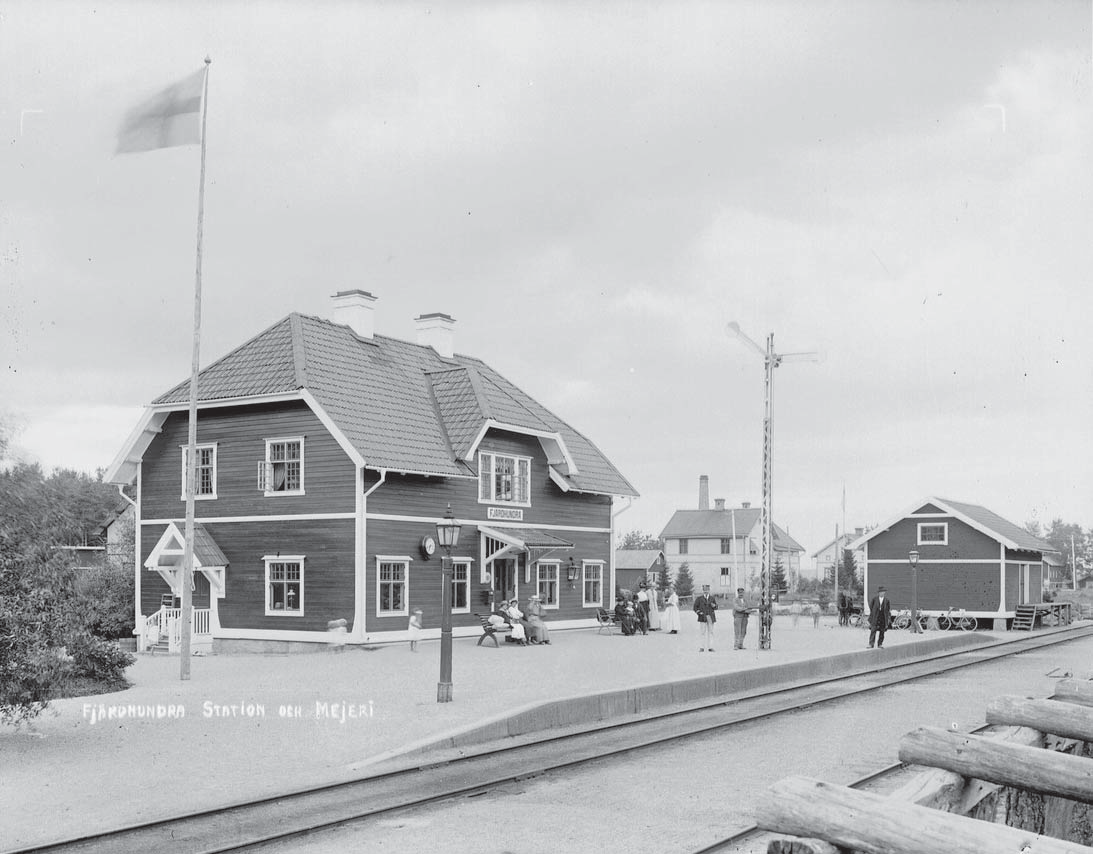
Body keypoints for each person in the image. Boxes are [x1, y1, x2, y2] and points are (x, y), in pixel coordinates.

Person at [693, 584, 718, 651]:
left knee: (711, 632)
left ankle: (710, 647)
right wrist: (699, 612)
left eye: (707, 590)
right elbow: (695, 607)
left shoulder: (712, 598)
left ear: (709, 590)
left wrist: (714, 606)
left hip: (710, 617)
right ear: (703, 591)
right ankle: (702, 647)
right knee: (702, 632)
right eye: (704, 590)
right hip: (702, 617)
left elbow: (716, 607)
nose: (706, 592)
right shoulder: (699, 598)